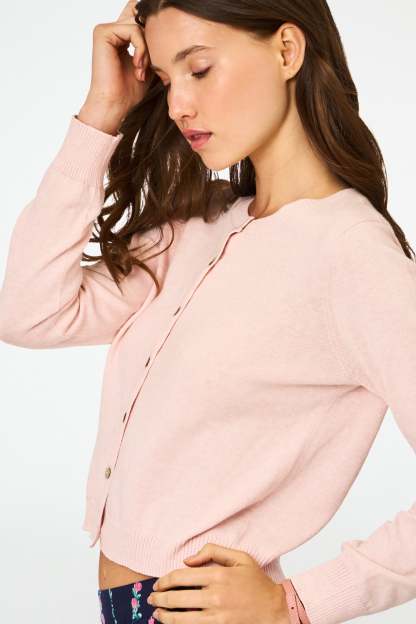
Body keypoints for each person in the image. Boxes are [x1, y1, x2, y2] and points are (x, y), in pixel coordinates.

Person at [0, 1, 415, 623]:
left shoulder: (352, 256)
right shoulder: (201, 226)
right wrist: (102, 113)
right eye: (166, 80)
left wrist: (296, 604)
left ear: (287, 51)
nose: (177, 106)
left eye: (199, 69)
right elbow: (29, 312)